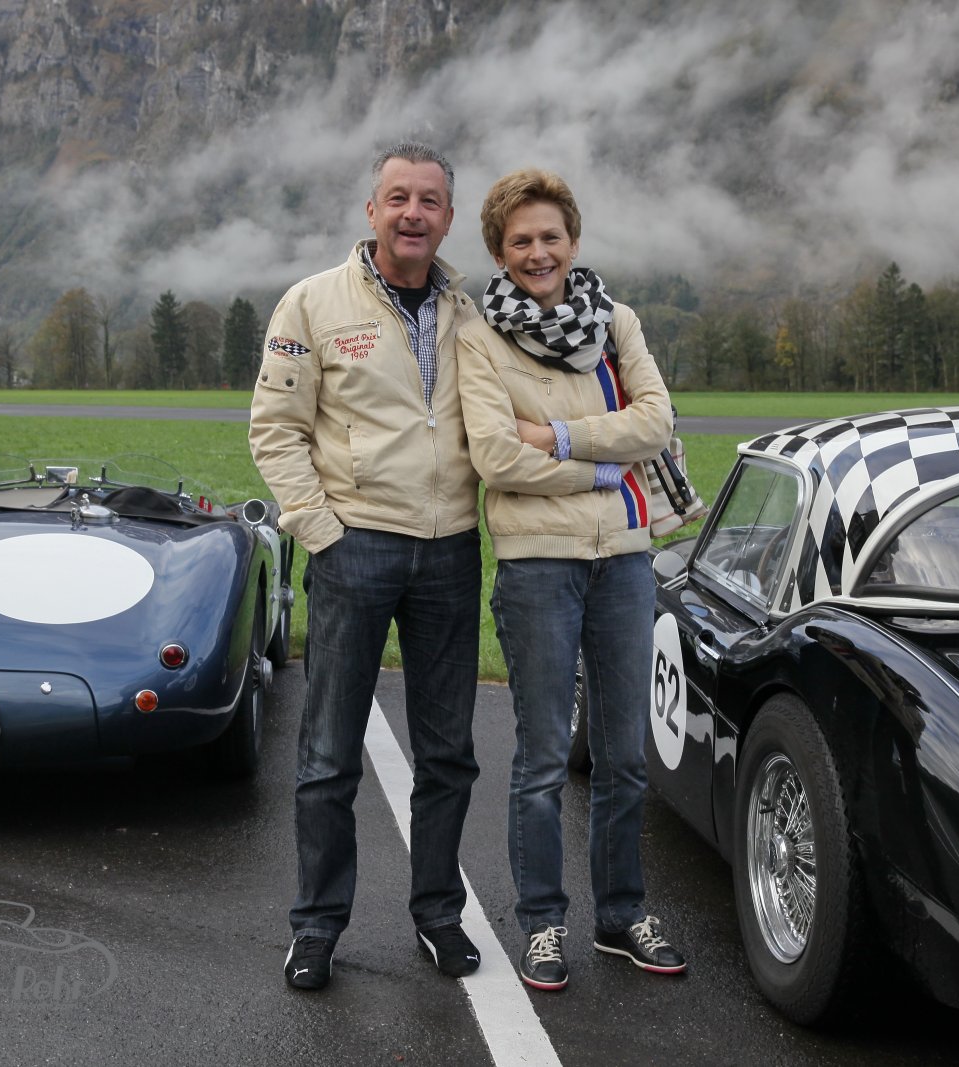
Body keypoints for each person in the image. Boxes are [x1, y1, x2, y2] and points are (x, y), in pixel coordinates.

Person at [248, 142, 484, 992]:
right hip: (355, 547)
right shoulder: (312, 302)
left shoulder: (472, 311)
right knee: (328, 754)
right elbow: (274, 428)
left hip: (452, 548)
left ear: (448, 219)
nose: (413, 213)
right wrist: (324, 533)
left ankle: (438, 914)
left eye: (430, 200)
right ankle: (316, 926)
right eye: (398, 197)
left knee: (448, 752)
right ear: (372, 211)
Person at [457, 168, 685, 990]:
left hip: (623, 559)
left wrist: (553, 434)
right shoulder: (480, 335)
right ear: (499, 252)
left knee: (625, 755)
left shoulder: (616, 321)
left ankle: (621, 915)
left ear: (573, 241)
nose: (538, 252)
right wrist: (599, 468)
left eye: (550, 236)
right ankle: (543, 923)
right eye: (520, 240)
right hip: (537, 566)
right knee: (545, 757)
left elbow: (655, 421)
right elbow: (495, 456)